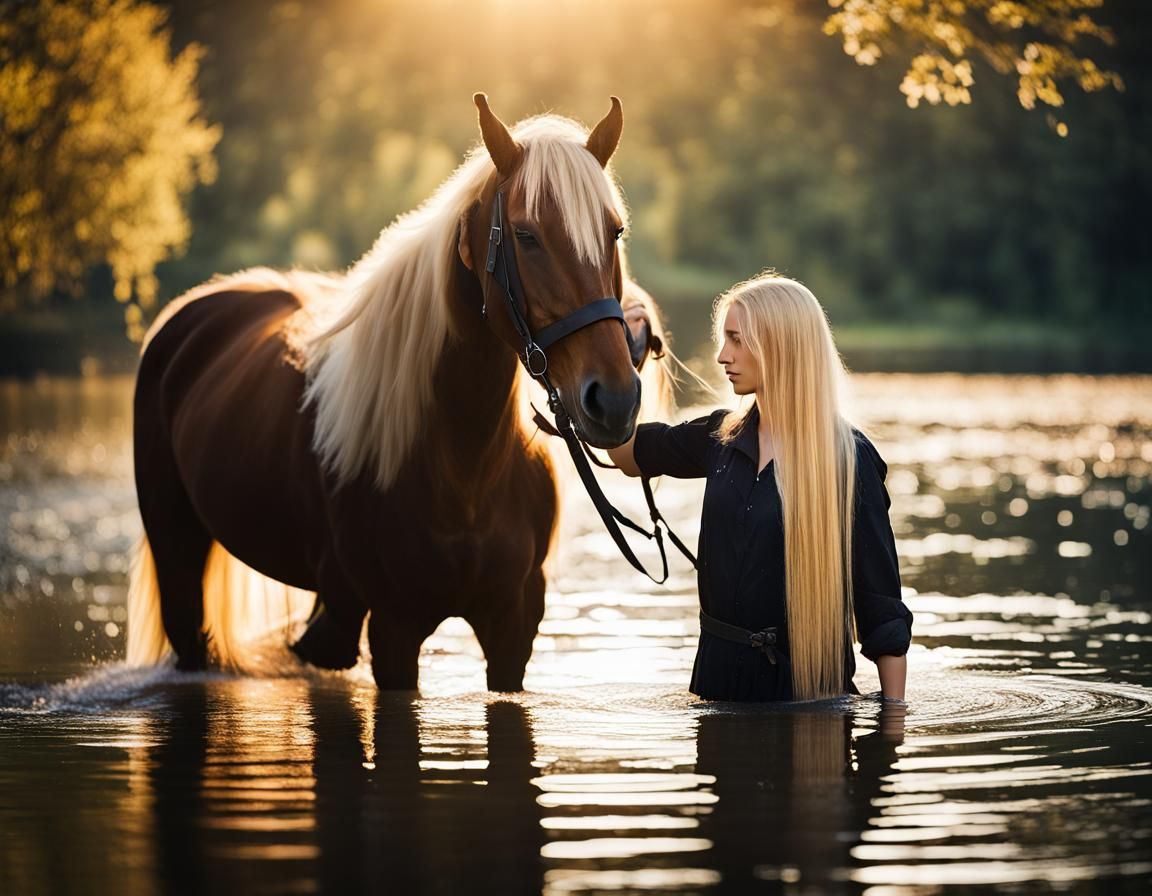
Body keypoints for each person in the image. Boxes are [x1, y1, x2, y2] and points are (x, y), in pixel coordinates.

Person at [608, 273, 911, 703]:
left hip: (809, 702)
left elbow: (882, 612)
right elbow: (626, 455)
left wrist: (891, 728)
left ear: (779, 347)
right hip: (715, 690)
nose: (721, 355)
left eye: (736, 339)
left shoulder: (850, 460)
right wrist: (620, 358)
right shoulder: (719, 437)